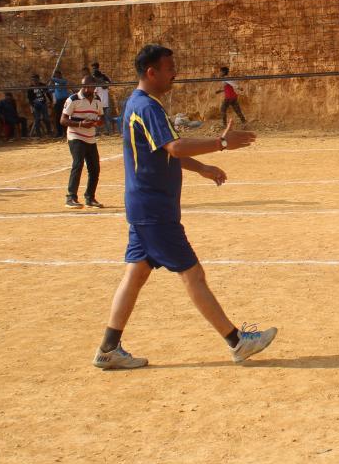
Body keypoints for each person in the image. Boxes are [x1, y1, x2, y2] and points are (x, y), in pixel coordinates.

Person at [93, 44, 276, 369]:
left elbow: (165, 151)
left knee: (135, 276)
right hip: (154, 209)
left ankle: (108, 349)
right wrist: (221, 143)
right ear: (151, 72)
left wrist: (201, 168)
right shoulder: (146, 106)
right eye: (169, 69)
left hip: (145, 206)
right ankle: (237, 341)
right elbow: (175, 147)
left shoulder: (138, 104)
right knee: (193, 274)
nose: (174, 74)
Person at [62, 76, 105, 209]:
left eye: (90, 87)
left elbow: (101, 117)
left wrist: (98, 122)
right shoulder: (73, 99)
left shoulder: (97, 100)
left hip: (90, 137)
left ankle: (90, 198)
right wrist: (81, 124)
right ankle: (71, 197)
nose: (87, 89)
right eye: (85, 86)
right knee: (78, 164)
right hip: (75, 136)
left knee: (95, 168)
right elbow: (63, 120)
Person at [90, 61, 112, 135]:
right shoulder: (100, 83)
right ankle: (104, 131)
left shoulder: (99, 82)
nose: (94, 69)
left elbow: (95, 94)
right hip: (103, 104)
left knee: (101, 118)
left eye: (94, 68)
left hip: (102, 104)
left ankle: (103, 132)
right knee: (102, 118)